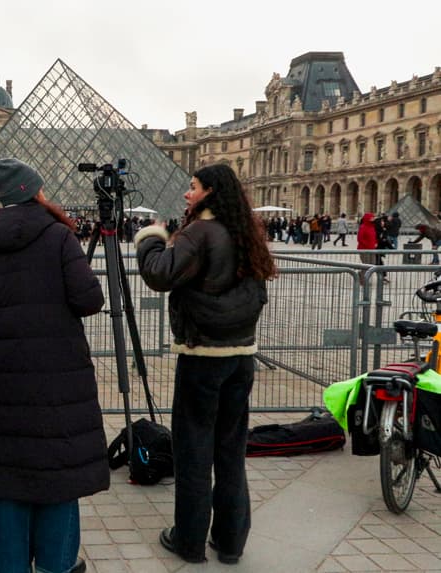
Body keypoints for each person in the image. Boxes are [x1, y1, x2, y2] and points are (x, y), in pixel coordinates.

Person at [0, 158, 108, 573]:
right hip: (61, 380)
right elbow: (89, 300)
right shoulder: (60, 238)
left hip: (7, 381)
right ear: (35, 191)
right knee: (60, 476)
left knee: (13, 478)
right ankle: (56, 565)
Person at [135, 164, 276, 565]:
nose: (186, 194)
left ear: (210, 191)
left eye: (193, 187)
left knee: (194, 451)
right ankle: (231, 542)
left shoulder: (200, 232)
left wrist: (150, 239)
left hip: (202, 359)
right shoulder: (244, 233)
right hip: (240, 358)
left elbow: (160, 274)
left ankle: (190, 540)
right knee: (230, 453)